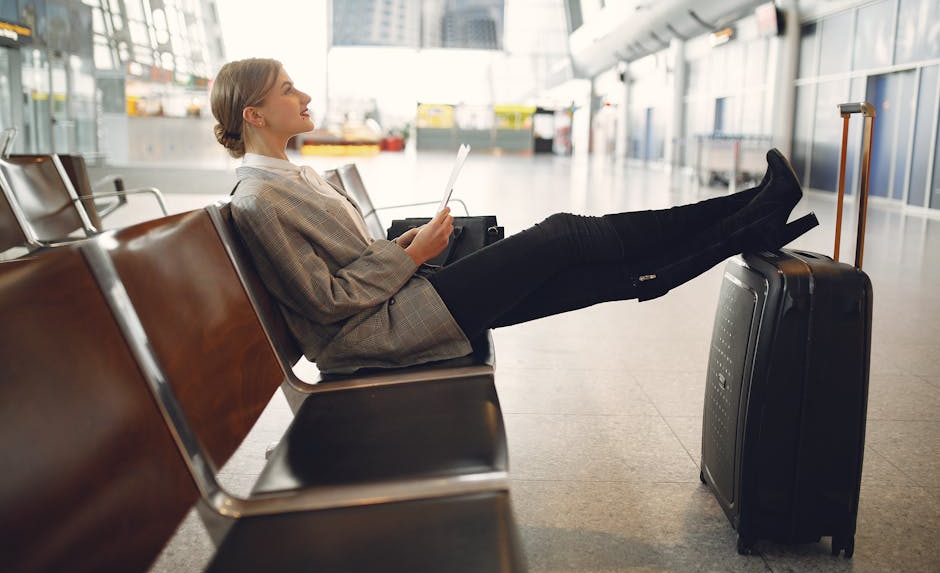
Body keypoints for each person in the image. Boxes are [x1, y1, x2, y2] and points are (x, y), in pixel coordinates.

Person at [211, 58, 817, 374]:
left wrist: (413, 246)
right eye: (288, 91)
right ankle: (750, 210)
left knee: (581, 273)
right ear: (255, 115)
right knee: (563, 236)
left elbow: (351, 264)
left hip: (401, 300)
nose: (305, 97)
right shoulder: (259, 201)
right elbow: (324, 303)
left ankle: (751, 214)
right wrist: (413, 252)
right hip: (377, 332)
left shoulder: (292, 176)